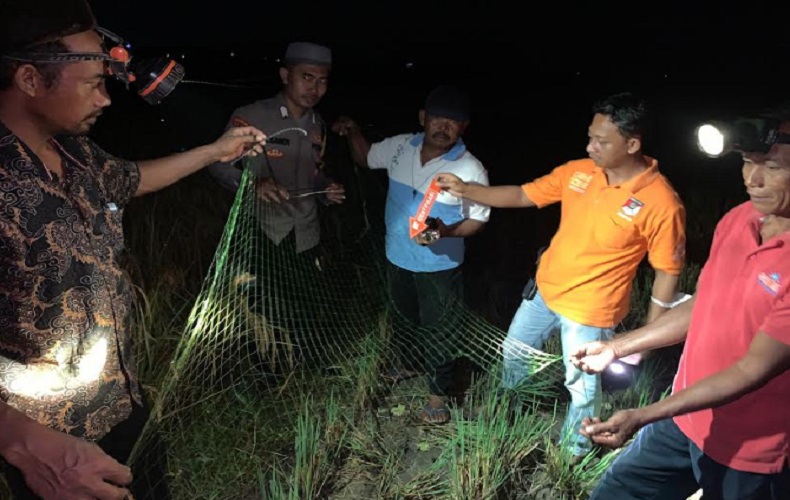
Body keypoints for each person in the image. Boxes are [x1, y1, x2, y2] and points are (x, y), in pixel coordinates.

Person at [0, 1, 267, 498]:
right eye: (91, 84)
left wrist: (216, 150)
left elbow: (129, 179)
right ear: (31, 80)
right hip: (51, 443)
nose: (105, 100)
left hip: (121, 400)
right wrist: (22, 443)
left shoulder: (73, 150)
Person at [435, 92, 686, 460]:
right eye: (590, 136)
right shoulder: (579, 172)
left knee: (581, 386)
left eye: (601, 140)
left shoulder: (662, 202)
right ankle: (512, 408)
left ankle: (575, 449)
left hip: (591, 309)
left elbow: (667, 272)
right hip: (545, 290)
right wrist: (468, 190)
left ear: (632, 144)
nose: (590, 146)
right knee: (514, 354)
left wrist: (647, 337)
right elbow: (523, 195)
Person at [571, 111, 790, 499]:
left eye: (771, 167)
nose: (751, 180)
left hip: (751, 450)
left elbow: (751, 370)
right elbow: (704, 305)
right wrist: (617, 346)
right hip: (682, 418)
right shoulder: (738, 220)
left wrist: (642, 415)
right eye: (746, 163)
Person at [332, 84, 490, 424]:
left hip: (439, 265)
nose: (443, 127)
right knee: (404, 318)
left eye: (453, 122)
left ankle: (438, 395)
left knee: (440, 328)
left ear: (463, 127)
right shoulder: (401, 146)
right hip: (396, 256)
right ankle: (408, 363)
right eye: (437, 118)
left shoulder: (470, 169)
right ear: (423, 118)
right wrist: (353, 131)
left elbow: (478, 220)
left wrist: (446, 231)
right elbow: (365, 157)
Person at [207, 41, 345, 262]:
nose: (314, 89)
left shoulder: (318, 123)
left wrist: (325, 189)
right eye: (307, 77)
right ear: (285, 75)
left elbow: (314, 171)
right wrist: (253, 184)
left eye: (322, 81)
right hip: (263, 234)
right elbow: (216, 164)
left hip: (307, 236)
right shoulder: (251, 116)